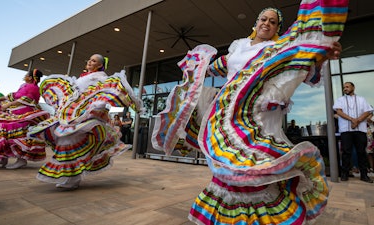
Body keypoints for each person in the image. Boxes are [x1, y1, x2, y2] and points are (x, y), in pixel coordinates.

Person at [152, 0, 347, 224]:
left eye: (273, 22)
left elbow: (304, 68)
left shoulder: (276, 49)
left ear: (277, 29)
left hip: (261, 115)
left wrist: (321, 53)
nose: (267, 24)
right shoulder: (238, 47)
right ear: (256, 23)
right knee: (230, 166)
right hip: (228, 115)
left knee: (255, 165)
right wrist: (194, 69)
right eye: (264, 19)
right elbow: (217, 66)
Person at [28, 54, 143, 189]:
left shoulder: (101, 78)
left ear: (100, 65)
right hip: (72, 115)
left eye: (93, 61)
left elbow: (101, 96)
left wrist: (94, 110)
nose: (89, 62)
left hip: (85, 116)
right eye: (89, 59)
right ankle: (71, 177)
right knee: (63, 140)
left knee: (69, 141)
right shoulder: (84, 77)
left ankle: (73, 179)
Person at [0, 69, 49, 169]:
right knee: (2, 130)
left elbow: (25, 99)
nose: (24, 76)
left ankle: (21, 160)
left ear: (30, 77)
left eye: (26, 75)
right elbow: (14, 95)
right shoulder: (24, 86)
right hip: (15, 112)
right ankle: (2, 157)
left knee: (17, 134)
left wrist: (9, 104)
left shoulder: (33, 87)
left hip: (24, 114)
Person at [333, 82, 373, 183]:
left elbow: (368, 111)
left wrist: (358, 121)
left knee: (361, 152)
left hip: (360, 130)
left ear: (353, 87)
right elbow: (339, 112)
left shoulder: (361, 99)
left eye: (347, 87)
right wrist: (352, 120)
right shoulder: (340, 100)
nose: (345, 89)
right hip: (346, 130)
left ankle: (364, 175)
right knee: (346, 152)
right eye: (344, 87)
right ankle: (344, 174)